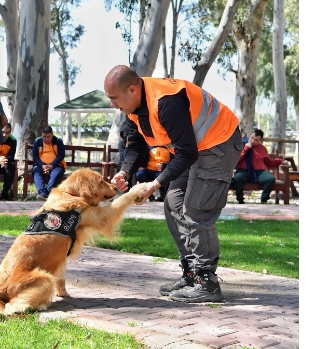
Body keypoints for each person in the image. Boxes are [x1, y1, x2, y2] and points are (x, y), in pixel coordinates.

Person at [104, 65, 243, 303]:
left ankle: (206, 281)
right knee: (173, 202)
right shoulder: (133, 108)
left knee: (197, 209)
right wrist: (125, 173)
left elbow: (186, 152)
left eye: (114, 98)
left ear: (132, 89)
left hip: (219, 143)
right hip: (195, 149)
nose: (112, 104)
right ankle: (191, 273)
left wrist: (155, 184)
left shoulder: (166, 102)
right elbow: (135, 146)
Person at [233, 129, 287, 204]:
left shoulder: (262, 148)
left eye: (256, 140)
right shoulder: (242, 144)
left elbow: (268, 162)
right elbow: (235, 160)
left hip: (259, 172)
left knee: (270, 179)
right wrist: (246, 148)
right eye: (252, 138)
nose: (252, 141)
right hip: (243, 170)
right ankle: (240, 200)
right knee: (237, 178)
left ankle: (263, 200)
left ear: (260, 141)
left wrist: (280, 161)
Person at [32, 126, 66, 201]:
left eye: (48, 137)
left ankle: (46, 193)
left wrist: (52, 165)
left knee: (55, 174)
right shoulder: (37, 141)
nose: (46, 139)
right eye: (44, 136)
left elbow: (61, 155)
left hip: (56, 165)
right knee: (36, 172)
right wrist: (42, 166)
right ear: (42, 134)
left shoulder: (58, 141)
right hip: (40, 165)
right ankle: (42, 192)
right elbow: (35, 156)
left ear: (52, 135)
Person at [0, 123, 16, 201]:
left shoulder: (13, 140)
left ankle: (5, 192)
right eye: (3, 132)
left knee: (12, 166)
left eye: (7, 133)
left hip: (4, 163)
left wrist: (3, 159)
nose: (4, 135)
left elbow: (11, 156)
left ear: (10, 133)